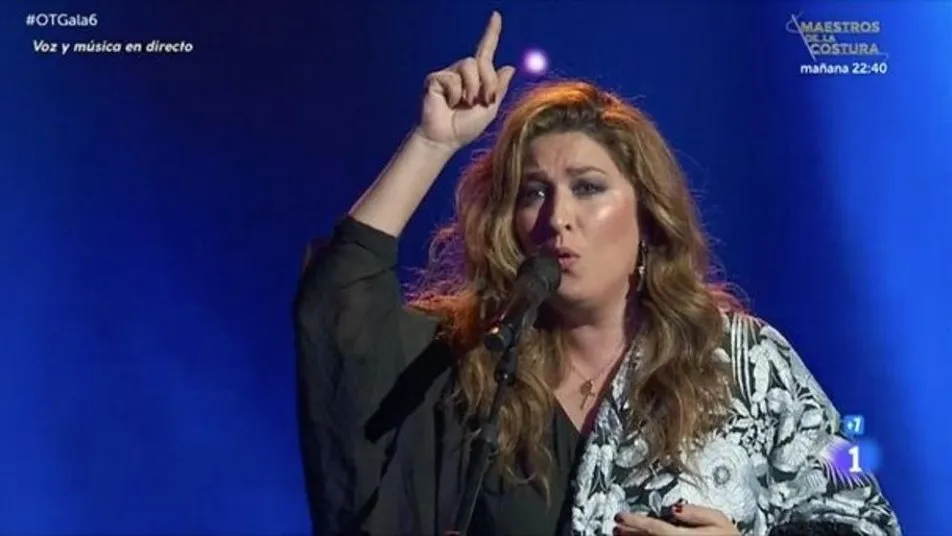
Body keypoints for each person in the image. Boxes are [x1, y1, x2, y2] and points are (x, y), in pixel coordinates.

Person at [293, 11, 901, 536]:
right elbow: (340, 306)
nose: (557, 218)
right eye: (534, 193)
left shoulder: (749, 361)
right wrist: (430, 143)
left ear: (648, 217)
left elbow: (866, 517)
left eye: (588, 188)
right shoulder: (470, 368)